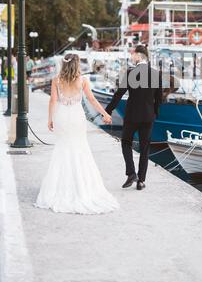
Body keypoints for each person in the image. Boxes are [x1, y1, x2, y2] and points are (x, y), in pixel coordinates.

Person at [35, 53, 118, 215]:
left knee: (63, 148)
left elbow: (52, 101)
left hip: (62, 117)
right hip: (77, 118)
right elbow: (93, 100)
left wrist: (50, 119)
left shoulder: (56, 80)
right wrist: (105, 114)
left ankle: (59, 187)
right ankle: (81, 186)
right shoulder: (83, 81)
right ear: (77, 64)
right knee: (80, 149)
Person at [106, 45, 162, 191]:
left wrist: (108, 111)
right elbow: (159, 98)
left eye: (133, 54)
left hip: (131, 116)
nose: (131, 57)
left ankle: (131, 173)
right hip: (148, 117)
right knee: (145, 148)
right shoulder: (156, 74)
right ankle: (141, 181)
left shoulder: (131, 72)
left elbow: (119, 94)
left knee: (126, 143)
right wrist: (155, 113)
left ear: (139, 56)